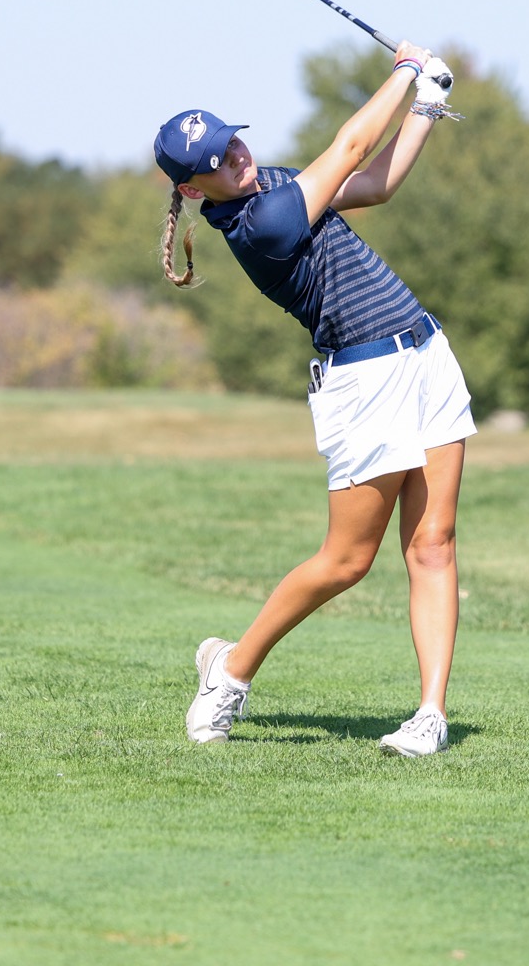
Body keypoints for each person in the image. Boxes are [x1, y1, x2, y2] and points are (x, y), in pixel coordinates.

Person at [154, 43, 472, 757]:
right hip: (364, 381)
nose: (236, 155)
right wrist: (403, 68)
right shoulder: (260, 225)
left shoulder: (270, 182)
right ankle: (230, 671)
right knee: (346, 562)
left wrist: (424, 105)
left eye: (231, 139)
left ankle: (429, 716)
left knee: (434, 546)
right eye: (218, 160)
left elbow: (374, 183)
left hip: (426, 354)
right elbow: (353, 141)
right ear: (199, 190)